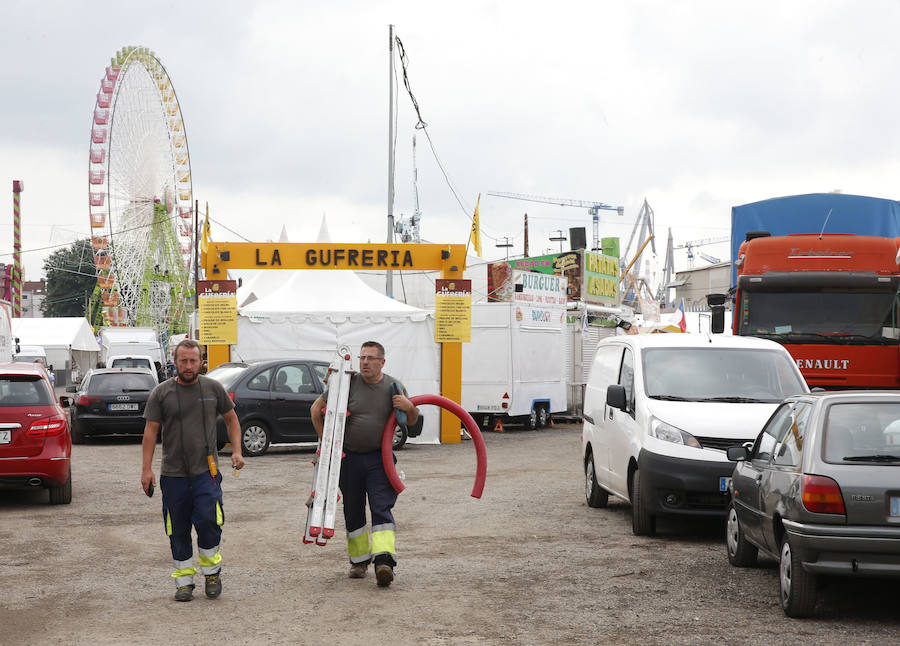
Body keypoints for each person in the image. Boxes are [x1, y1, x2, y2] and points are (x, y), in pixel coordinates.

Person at [140, 339, 245, 602]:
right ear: (174, 362)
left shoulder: (213, 388)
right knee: (177, 528)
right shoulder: (161, 393)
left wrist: (237, 450)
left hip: (206, 473)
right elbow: (150, 432)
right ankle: (184, 582)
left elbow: (232, 419)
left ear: (201, 362)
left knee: (209, 521)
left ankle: (212, 574)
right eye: (183, 361)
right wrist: (146, 470)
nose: (188, 366)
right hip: (173, 475)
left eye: (193, 361)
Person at [310, 341, 418, 588]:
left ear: (382, 362)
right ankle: (359, 562)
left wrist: (409, 407)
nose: (365, 362)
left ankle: (384, 562)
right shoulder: (347, 384)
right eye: (362, 357)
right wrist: (328, 447)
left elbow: (411, 421)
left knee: (381, 508)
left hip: (380, 460)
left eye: (371, 358)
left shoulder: (394, 386)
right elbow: (316, 410)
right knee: (353, 509)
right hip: (348, 460)